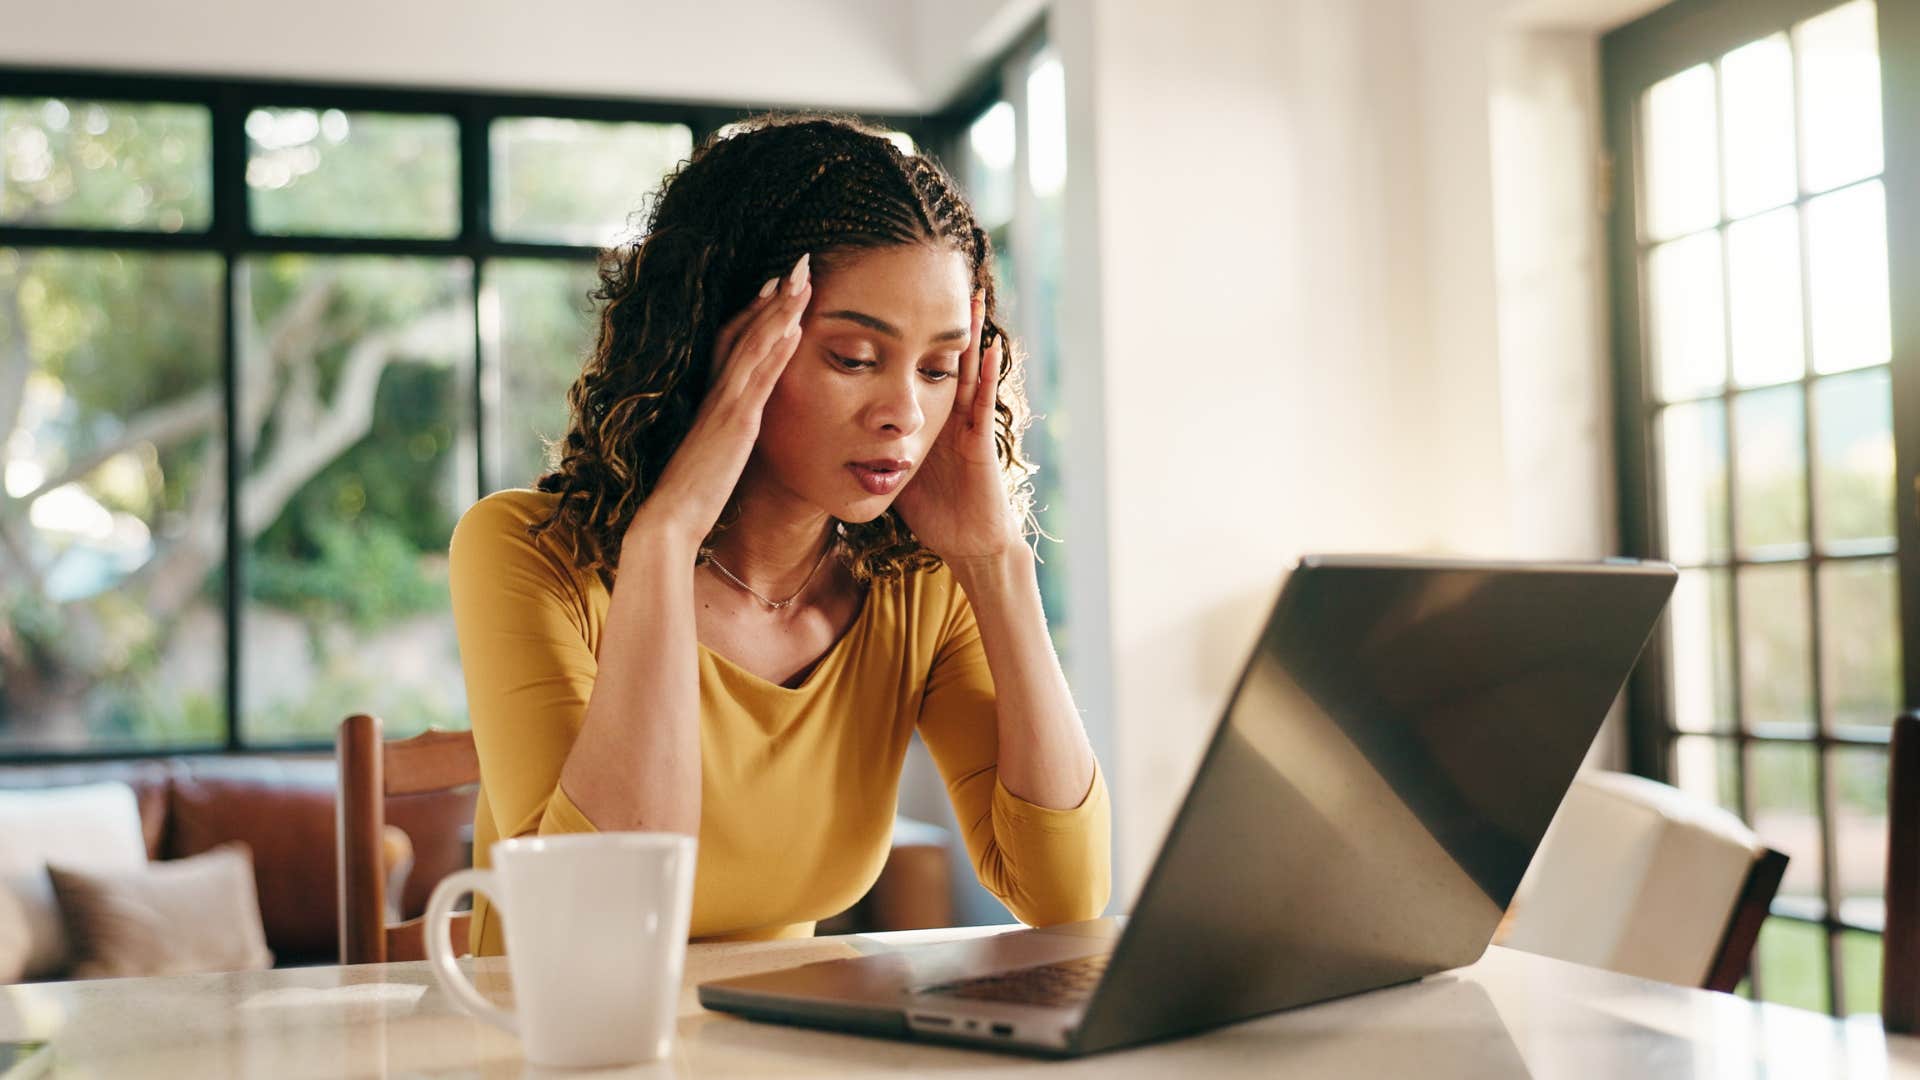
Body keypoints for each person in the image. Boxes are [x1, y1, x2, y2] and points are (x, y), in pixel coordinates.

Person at [448, 112, 1109, 953]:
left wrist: (996, 561)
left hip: (790, 1044)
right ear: (719, 342)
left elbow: (1066, 896)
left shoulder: (918, 589)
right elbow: (598, 921)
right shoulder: (529, 553)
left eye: (939, 368)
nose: (904, 415)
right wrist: (666, 538)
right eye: (854, 358)